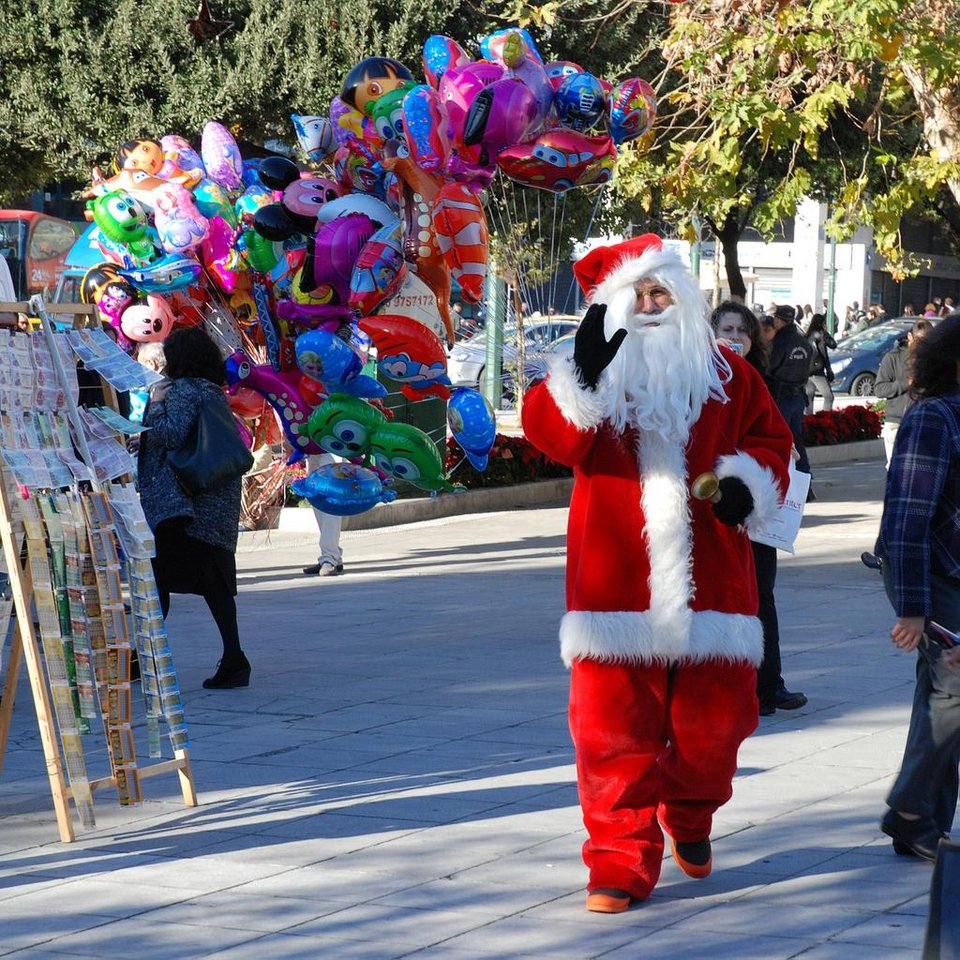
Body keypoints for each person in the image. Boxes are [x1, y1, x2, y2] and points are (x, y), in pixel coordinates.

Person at [521, 235, 792, 913]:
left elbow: (772, 442)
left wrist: (746, 483)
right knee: (610, 732)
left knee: (719, 730)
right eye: (635, 295)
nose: (647, 305)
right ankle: (618, 859)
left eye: (659, 292)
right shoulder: (591, 376)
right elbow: (552, 436)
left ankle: (691, 810)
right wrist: (579, 378)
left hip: (715, 590)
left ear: (683, 297)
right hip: (615, 592)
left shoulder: (731, 374)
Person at [874, 315, 960, 861]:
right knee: (952, 694)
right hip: (931, 575)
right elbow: (907, 517)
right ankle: (909, 812)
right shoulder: (934, 416)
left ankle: (924, 821)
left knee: (943, 695)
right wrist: (912, 609)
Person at [137, 327, 251, 690]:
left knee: (158, 581)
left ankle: (146, 661)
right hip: (212, 500)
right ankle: (234, 659)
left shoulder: (183, 390)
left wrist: (155, 404)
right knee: (214, 583)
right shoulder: (211, 391)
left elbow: (171, 435)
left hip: (184, 504)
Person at [713, 301, 808, 717]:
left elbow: (778, 436)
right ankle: (728, 685)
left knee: (762, 596)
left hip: (757, 508)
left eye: (742, 331)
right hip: (716, 508)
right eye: (727, 329)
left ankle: (769, 685)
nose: (734, 337)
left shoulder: (763, 383)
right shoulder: (704, 381)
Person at [874, 319, 932, 466]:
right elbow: (880, 389)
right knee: (897, 470)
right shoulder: (893, 358)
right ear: (910, 337)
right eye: (920, 340)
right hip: (896, 423)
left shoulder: (931, 360)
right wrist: (906, 383)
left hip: (922, 422)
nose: (923, 345)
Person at [767, 304, 813, 478]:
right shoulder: (803, 341)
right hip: (798, 397)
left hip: (781, 397)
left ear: (778, 320)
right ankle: (805, 480)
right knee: (797, 440)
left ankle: (783, 479)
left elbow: (770, 367)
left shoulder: (779, 342)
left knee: (781, 439)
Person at [302, 452, 345, 577]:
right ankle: (332, 555)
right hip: (312, 450)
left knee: (330, 501)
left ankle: (330, 557)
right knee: (317, 499)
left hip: (331, 446)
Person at [804, 313, 837, 415]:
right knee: (828, 396)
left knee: (809, 397)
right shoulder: (820, 335)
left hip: (806, 372)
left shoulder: (807, 336)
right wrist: (825, 332)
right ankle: (826, 418)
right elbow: (833, 344)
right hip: (817, 371)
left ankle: (808, 421)